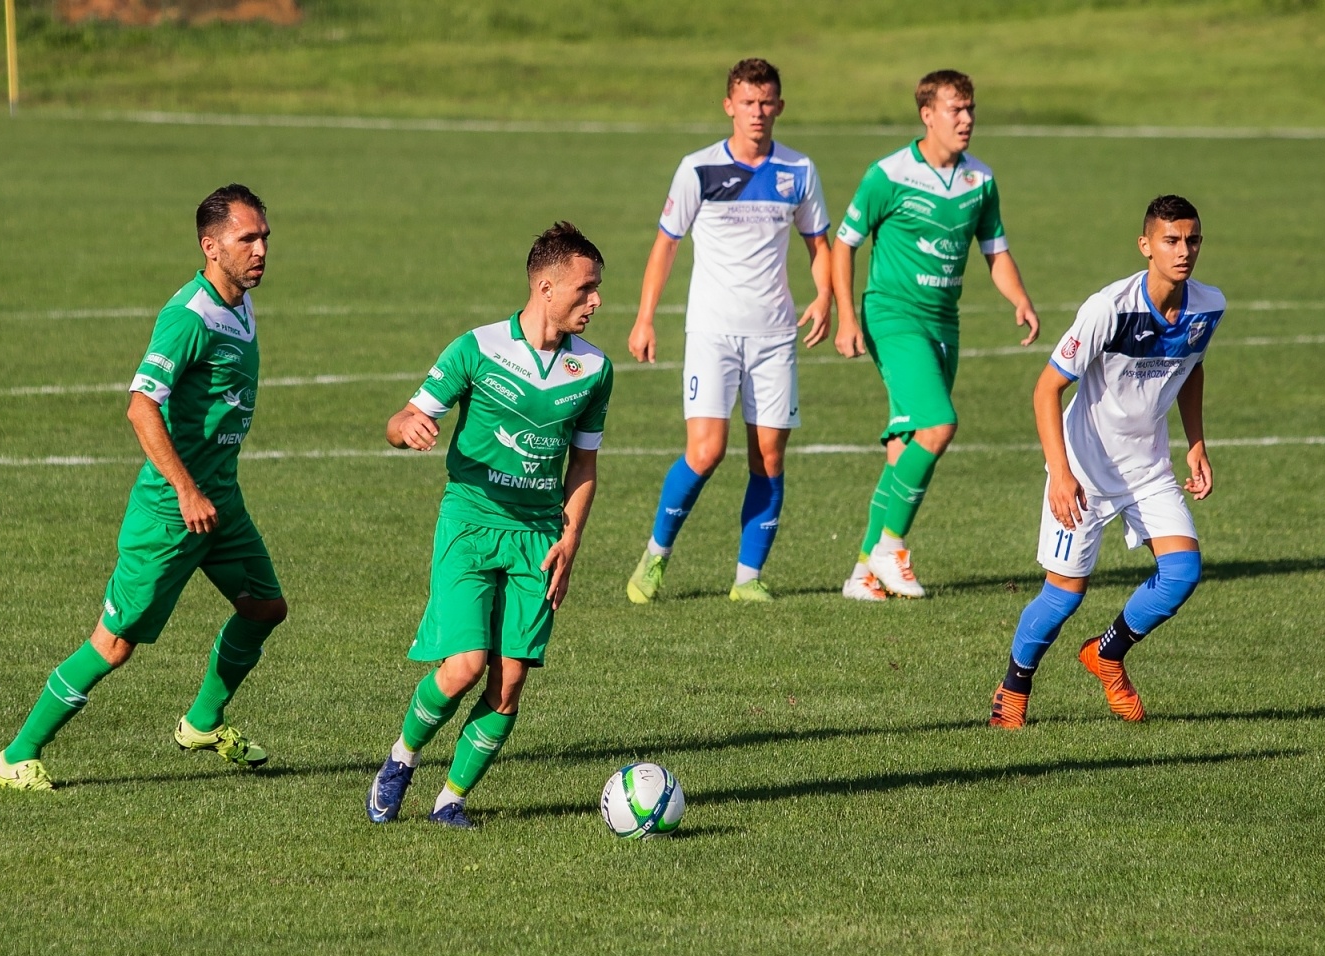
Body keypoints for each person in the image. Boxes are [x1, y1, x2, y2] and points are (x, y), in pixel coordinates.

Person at [0, 184, 286, 789]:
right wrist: (184, 489)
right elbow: (140, 407)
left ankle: (202, 722)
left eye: (265, 238)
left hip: (221, 501)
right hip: (172, 510)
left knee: (264, 607)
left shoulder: (239, 301)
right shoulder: (188, 317)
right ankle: (17, 754)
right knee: (115, 642)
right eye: (246, 239)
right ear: (211, 246)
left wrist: (207, 490)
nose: (260, 250)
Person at [367, 222, 613, 830]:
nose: (596, 302)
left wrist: (571, 537)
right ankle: (401, 759)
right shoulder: (475, 349)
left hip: (538, 538)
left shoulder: (595, 370)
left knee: (508, 685)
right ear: (546, 286)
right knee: (464, 666)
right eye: (586, 289)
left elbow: (583, 461)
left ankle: (450, 800)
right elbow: (401, 419)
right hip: (471, 523)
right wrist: (408, 431)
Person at [990, 195, 1223, 728]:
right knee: (1063, 596)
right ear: (1146, 246)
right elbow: (1046, 389)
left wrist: (1196, 442)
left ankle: (1107, 654)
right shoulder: (1109, 309)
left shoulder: (1208, 306)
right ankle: (1013, 686)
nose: (1182, 250)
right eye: (1170, 240)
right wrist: (1060, 473)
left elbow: (1192, 367)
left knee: (1183, 572)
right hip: (1085, 473)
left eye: (1191, 240)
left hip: (1148, 470)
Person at [625, 57, 831, 604]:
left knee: (768, 457)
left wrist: (828, 295)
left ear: (779, 106)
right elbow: (666, 243)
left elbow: (819, 244)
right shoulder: (698, 169)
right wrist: (645, 318)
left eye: (766, 103)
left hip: (774, 336)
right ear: (729, 106)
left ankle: (748, 580)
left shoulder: (799, 171)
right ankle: (655, 556)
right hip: (712, 333)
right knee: (706, 451)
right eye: (747, 102)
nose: (757, 113)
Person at [832, 68, 1039, 601]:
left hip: (945, 323)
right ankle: (890, 544)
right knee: (939, 425)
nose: (966, 119)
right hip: (892, 316)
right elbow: (844, 243)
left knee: (906, 445)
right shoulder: (889, 174)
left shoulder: (980, 181)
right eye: (956, 110)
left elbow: (994, 250)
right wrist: (847, 317)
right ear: (927, 115)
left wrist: (1018, 298)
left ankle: (862, 574)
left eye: (971, 109)